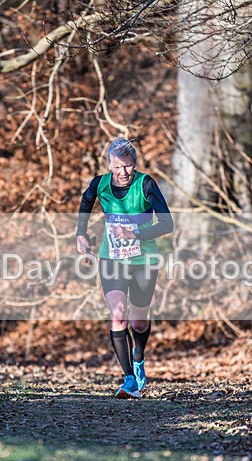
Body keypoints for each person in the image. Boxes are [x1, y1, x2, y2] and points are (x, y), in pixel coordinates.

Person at [76, 139, 174, 399]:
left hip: (144, 261)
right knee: (118, 314)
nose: (123, 172)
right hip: (112, 259)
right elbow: (85, 204)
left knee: (138, 322)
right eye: (118, 167)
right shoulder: (101, 184)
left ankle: (138, 357)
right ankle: (129, 379)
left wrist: (135, 233)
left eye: (128, 166)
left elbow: (167, 224)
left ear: (135, 165)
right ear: (109, 165)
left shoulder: (146, 184)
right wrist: (81, 233)